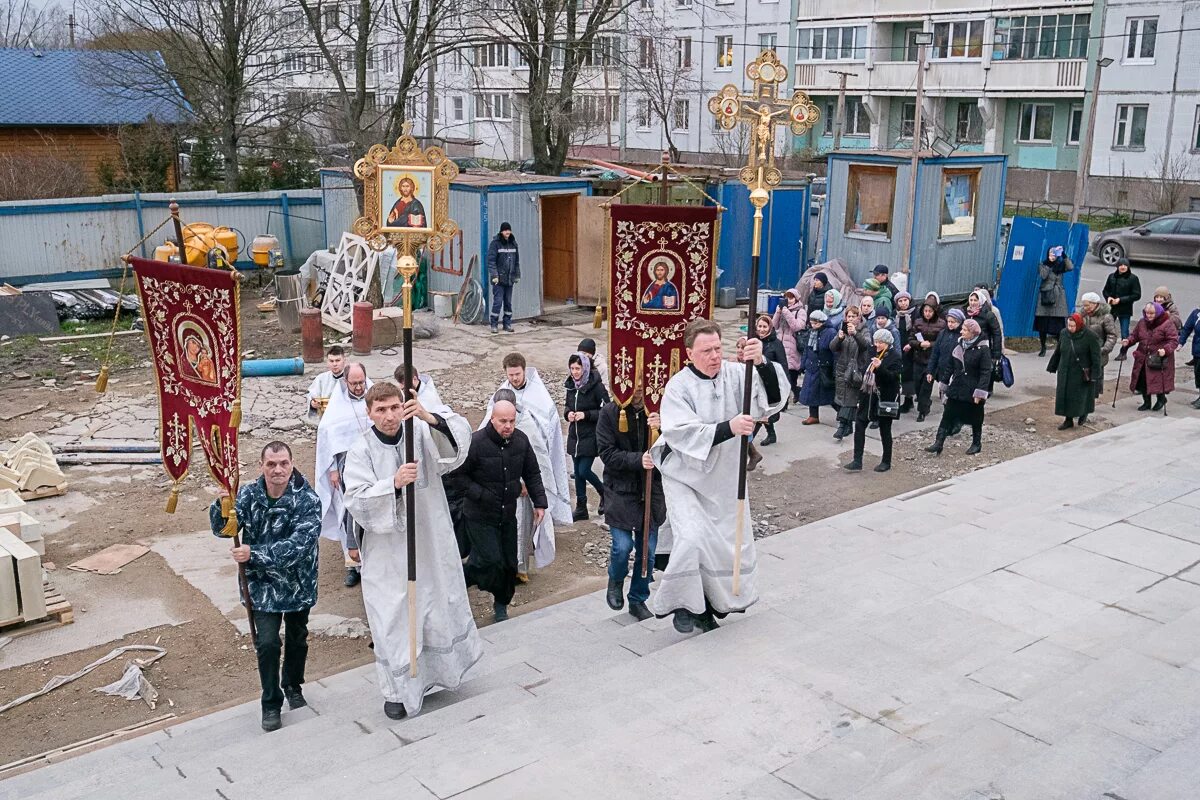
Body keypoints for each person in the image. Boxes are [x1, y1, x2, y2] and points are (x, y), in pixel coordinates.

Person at [343, 382, 479, 721]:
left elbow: (457, 448)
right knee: (393, 619)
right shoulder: (360, 450)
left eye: (394, 408)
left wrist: (429, 417)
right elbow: (356, 500)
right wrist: (392, 484)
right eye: (381, 410)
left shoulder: (417, 430)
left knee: (434, 605)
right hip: (389, 552)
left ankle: (437, 675)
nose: (389, 417)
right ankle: (396, 692)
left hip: (428, 539)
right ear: (369, 412)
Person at [649, 319, 788, 633]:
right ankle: (682, 605)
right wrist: (729, 427)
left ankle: (710, 605)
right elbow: (680, 433)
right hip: (684, 476)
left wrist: (762, 362)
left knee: (725, 543)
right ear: (689, 353)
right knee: (692, 538)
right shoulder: (679, 387)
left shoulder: (736, 374)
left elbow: (771, 400)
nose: (714, 356)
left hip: (724, 477)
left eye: (717, 348)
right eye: (705, 351)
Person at [209, 441, 319, 732]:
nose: (278, 470)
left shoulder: (308, 499)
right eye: (271, 464)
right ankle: (271, 702)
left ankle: (293, 686)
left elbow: (299, 546)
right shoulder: (247, 495)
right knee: (267, 643)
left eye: (283, 463)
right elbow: (224, 530)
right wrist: (222, 505)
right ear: (261, 466)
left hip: (297, 583)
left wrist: (254, 554)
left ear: (292, 464)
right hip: (261, 587)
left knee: (297, 638)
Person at [451, 397, 548, 623]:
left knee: (509, 565)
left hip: (507, 514)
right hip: (479, 515)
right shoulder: (475, 443)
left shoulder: (521, 441)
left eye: (512, 421)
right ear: (492, 419)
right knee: (490, 561)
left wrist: (540, 502)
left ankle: (501, 603)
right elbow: (456, 475)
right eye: (503, 421)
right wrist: (480, 494)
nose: (508, 426)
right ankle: (460, 579)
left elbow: (532, 473)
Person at [596, 386, 664, 621]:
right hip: (620, 490)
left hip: (650, 491)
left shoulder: (658, 412)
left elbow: (677, 445)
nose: (637, 392)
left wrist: (663, 428)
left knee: (649, 552)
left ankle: (638, 598)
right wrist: (638, 459)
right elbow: (606, 453)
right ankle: (615, 579)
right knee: (622, 547)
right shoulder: (609, 414)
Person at [483, 353, 573, 530]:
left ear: (524, 371)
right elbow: (488, 423)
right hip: (504, 457)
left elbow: (549, 426)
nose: (514, 378)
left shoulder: (539, 394)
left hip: (533, 455)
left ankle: (534, 534)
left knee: (532, 502)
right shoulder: (501, 394)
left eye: (517, 374)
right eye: (511, 375)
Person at [314, 362, 372, 588]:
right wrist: (333, 470)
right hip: (346, 467)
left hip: (372, 463)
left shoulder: (373, 398)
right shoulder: (337, 405)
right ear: (345, 382)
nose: (359, 387)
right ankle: (352, 564)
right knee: (350, 512)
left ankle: (371, 561)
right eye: (354, 383)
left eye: (361, 382)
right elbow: (328, 438)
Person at [925, 318, 992, 456]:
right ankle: (939, 443)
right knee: (947, 415)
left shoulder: (983, 349)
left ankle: (976, 443)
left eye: (965, 330)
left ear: (973, 333)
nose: (961, 332)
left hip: (973, 389)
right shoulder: (959, 345)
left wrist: (980, 393)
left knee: (976, 418)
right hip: (956, 387)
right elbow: (950, 366)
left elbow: (986, 372)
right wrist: (943, 384)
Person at [846, 329, 902, 472]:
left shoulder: (895, 357)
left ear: (888, 343)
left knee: (885, 430)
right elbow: (864, 368)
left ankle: (886, 461)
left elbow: (892, 379)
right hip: (867, 396)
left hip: (884, 398)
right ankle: (857, 460)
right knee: (859, 425)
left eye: (880, 342)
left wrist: (880, 367)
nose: (876, 345)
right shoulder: (872, 351)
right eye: (875, 341)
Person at [564, 352, 609, 520]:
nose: (575, 372)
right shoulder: (570, 385)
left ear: (586, 367)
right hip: (575, 435)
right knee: (577, 471)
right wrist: (568, 413)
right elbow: (567, 405)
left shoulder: (595, 386)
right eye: (572, 368)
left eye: (578, 368)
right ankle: (581, 508)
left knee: (583, 470)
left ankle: (603, 491)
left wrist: (586, 415)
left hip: (591, 434)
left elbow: (607, 410)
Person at [1047, 313, 1102, 429]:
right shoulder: (1064, 333)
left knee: (1080, 396)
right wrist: (1053, 365)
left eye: (1073, 326)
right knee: (1065, 395)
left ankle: (1083, 412)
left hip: (1080, 372)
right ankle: (1068, 420)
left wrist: (1095, 373)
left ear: (1079, 325)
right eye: (1069, 325)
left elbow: (1096, 357)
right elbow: (1059, 351)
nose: (1070, 328)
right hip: (1064, 370)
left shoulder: (1090, 336)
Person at [1122, 302, 1179, 412]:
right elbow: (1135, 336)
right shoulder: (1142, 322)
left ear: (1158, 312)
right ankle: (1146, 402)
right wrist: (1128, 341)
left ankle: (1161, 399)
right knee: (1142, 380)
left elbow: (1173, 340)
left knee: (1157, 381)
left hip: (1158, 357)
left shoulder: (1167, 324)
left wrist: (1165, 350)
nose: (1149, 315)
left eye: (1152, 313)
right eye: (1147, 313)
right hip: (1143, 356)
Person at [830, 305, 871, 441]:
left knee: (850, 398)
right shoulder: (843, 329)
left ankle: (841, 427)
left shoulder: (864, 330)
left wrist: (856, 334)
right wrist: (839, 338)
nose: (851, 319)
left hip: (855, 369)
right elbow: (833, 347)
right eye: (849, 316)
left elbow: (866, 345)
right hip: (842, 368)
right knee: (841, 399)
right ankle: (848, 425)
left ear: (858, 318)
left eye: (854, 316)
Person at [752, 314, 788, 446]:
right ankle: (771, 434)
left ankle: (747, 444)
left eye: (764, 326)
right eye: (759, 326)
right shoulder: (754, 341)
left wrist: (785, 385)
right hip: (756, 381)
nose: (761, 329)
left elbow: (783, 365)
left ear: (770, 327)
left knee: (761, 413)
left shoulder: (776, 344)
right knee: (760, 411)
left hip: (770, 382)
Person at [798, 310, 837, 425]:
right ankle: (813, 415)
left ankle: (842, 414)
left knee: (829, 393)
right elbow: (807, 349)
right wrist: (803, 364)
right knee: (811, 393)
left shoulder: (830, 332)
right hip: (811, 366)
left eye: (816, 323)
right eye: (812, 323)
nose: (813, 325)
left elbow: (834, 351)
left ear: (822, 322)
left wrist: (834, 368)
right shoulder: (812, 332)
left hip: (824, 367)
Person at [909, 300, 946, 422]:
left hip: (931, 359)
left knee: (926, 386)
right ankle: (924, 403)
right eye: (925, 311)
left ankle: (922, 410)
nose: (928, 313)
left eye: (930, 311)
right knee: (917, 385)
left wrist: (930, 344)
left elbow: (942, 342)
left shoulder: (941, 324)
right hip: (918, 357)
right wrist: (919, 344)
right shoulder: (918, 322)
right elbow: (911, 339)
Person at [1080, 292, 1120, 400]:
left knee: (1094, 381)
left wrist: (1103, 350)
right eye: (1084, 305)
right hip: (1083, 353)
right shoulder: (1081, 315)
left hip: (1098, 353)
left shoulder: (1106, 317)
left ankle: (1089, 404)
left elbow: (1112, 336)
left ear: (1095, 304)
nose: (1085, 307)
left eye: (1087, 305)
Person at [1035, 246, 1072, 357]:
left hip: (1058, 297)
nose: (1052, 256)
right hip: (1046, 296)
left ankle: (1061, 347)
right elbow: (1043, 275)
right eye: (1051, 253)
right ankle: (1043, 347)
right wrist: (1048, 263)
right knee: (1043, 325)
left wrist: (1064, 255)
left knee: (1058, 326)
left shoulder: (1060, 265)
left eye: (1054, 253)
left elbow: (1070, 267)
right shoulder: (1043, 264)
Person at [771, 289, 807, 403]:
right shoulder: (782, 310)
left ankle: (796, 392)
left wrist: (786, 313)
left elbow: (797, 326)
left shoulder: (800, 311)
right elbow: (773, 326)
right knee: (781, 378)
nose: (789, 300)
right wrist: (778, 312)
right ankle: (784, 402)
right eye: (787, 297)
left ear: (796, 299)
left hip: (793, 348)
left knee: (791, 379)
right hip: (781, 346)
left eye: (791, 298)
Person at [487, 222, 520, 334]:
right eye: (505, 230)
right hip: (498, 280)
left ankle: (507, 324)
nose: (507, 232)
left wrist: (517, 275)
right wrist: (495, 275)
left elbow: (516, 262)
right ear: (501, 231)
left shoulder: (513, 244)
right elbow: (491, 262)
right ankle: (494, 325)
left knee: (508, 302)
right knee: (497, 302)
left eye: (509, 230)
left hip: (509, 279)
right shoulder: (495, 244)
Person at [1103, 258, 1141, 344]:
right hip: (1112, 308)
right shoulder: (1111, 277)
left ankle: (1123, 352)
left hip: (1125, 309)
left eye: (1125, 265)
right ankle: (1105, 348)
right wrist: (1108, 298)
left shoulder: (1133, 278)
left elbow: (1137, 295)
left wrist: (1120, 300)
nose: (1123, 267)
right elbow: (1105, 290)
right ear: (1117, 266)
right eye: (1121, 265)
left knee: (1124, 333)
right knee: (1107, 330)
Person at [306, 346, 346, 421]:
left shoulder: (353, 377)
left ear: (344, 360)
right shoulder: (321, 378)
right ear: (327, 362)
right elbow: (311, 396)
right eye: (331, 361)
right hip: (326, 421)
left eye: (337, 360)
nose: (334, 364)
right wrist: (312, 403)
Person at [894, 292, 915, 413]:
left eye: (905, 300)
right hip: (898, 347)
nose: (903, 303)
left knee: (908, 374)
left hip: (910, 348)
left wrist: (911, 344)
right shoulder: (895, 315)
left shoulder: (914, 313)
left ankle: (908, 399)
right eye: (900, 301)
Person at [1179, 305, 1200, 408]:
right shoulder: (1196, 314)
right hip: (1197, 351)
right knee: (1198, 374)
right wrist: (1180, 342)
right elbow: (1187, 329)